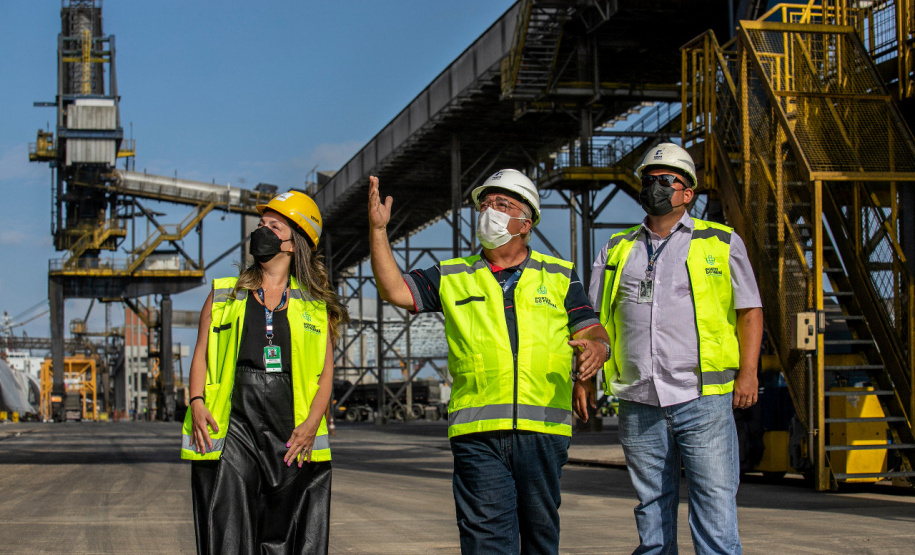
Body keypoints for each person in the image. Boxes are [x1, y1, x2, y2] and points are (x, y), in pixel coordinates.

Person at [368, 170, 610, 554]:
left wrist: (598, 349)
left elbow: (591, 329)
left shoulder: (559, 275)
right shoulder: (453, 275)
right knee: (486, 542)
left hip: (543, 428)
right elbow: (394, 289)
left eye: (501, 204)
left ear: (525, 223)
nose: (488, 211)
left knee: (540, 539)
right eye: (484, 204)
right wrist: (379, 231)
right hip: (477, 432)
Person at [575, 143, 763, 554]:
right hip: (639, 398)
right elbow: (593, 323)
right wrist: (585, 380)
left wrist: (748, 374)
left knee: (714, 505)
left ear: (687, 193)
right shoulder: (616, 249)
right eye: (648, 180)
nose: (653, 186)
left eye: (665, 180)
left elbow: (750, 310)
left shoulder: (722, 242)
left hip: (702, 398)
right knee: (652, 508)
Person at [181, 190, 348, 554]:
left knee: (286, 534)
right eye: (261, 224)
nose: (262, 232)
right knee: (228, 529)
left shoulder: (315, 305)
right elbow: (201, 355)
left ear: (293, 243)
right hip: (234, 423)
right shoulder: (224, 294)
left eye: (274, 226)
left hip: (291, 427)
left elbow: (325, 374)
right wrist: (196, 401)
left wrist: (312, 424)